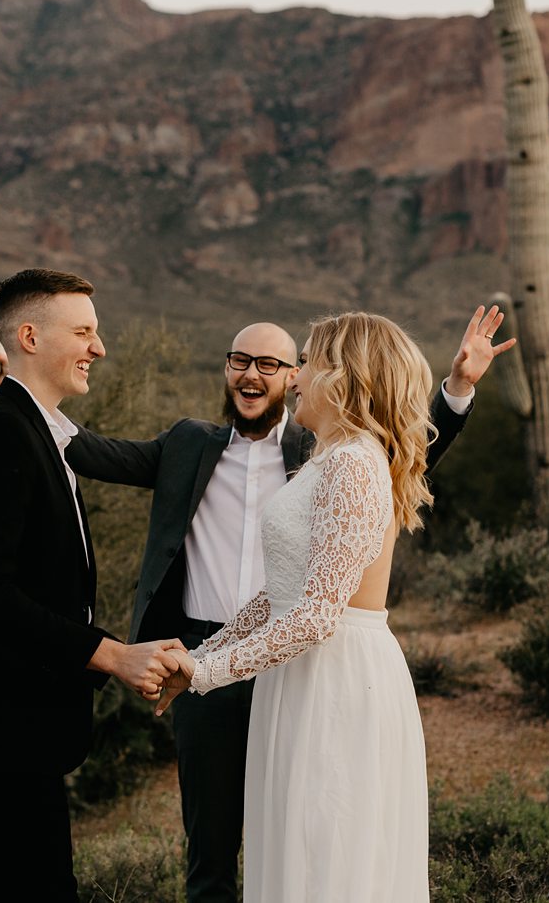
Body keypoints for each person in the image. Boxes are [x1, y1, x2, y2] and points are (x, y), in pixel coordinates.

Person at [61, 306, 510, 903]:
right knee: (247, 848)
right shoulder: (212, 446)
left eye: (300, 363)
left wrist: (458, 389)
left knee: (323, 848)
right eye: (243, 361)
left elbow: (318, 610)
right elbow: (281, 594)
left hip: (325, 670)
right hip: (255, 658)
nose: (288, 375)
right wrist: (200, 661)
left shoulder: (347, 460)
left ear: (340, 379)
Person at [0, 267, 187, 902]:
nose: (99, 348)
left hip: (23, 728)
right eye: (85, 332)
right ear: (31, 336)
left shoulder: (33, 429)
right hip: (1, 727)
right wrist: (112, 654)